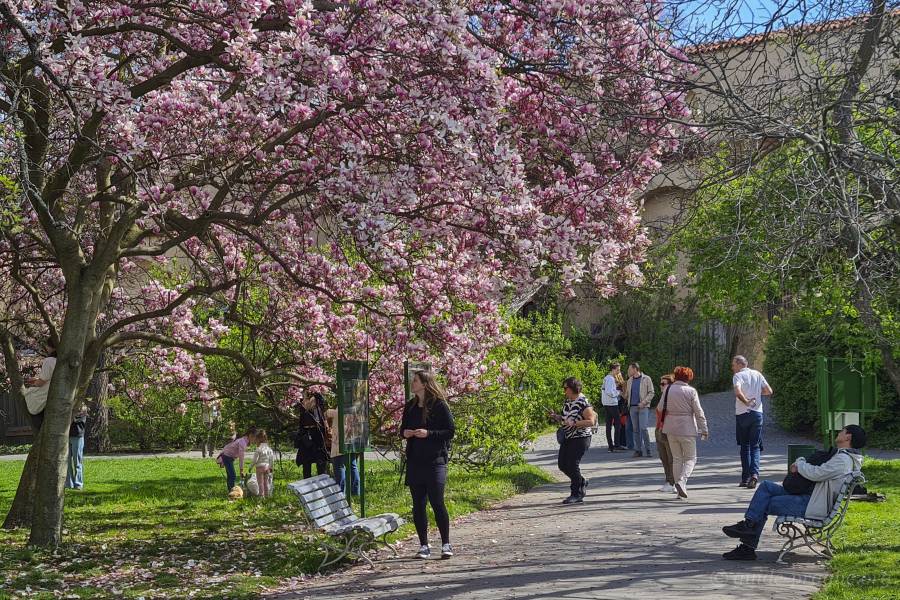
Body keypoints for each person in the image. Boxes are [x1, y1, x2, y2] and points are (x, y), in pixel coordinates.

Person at [721, 425, 866, 560]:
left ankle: (747, 544)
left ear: (848, 437)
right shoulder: (843, 457)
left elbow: (817, 473)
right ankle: (749, 526)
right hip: (812, 497)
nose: (839, 432)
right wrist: (801, 463)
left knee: (766, 502)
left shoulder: (843, 460)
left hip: (813, 505)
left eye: (843, 431)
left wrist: (799, 464)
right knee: (766, 487)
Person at [400, 370, 455, 559]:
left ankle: (446, 543)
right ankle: (424, 545)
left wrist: (429, 433)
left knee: (437, 502)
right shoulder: (410, 406)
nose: (412, 384)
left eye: (415, 381)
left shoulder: (439, 405)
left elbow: (450, 431)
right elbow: (402, 429)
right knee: (418, 505)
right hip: (415, 461)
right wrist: (406, 433)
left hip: (435, 462)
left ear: (424, 383)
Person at [661, 366, 709, 498]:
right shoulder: (691, 391)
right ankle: (682, 481)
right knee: (691, 458)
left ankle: (679, 491)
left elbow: (660, 407)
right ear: (689, 378)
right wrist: (704, 428)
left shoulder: (668, 389)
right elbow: (699, 412)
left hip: (670, 428)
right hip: (687, 428)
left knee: (677, 459)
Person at [550, 377, 597, 505]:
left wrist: (575, 423)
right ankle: (581, 481)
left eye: (566, 388)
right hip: (568, 436)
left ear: (573, 388)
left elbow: (591, 421)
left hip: (581, 437)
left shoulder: (583, 402)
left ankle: (577, 493)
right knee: (562, 464)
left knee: (572, 464)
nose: (564, 391)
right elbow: (566, 418)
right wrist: (557, 417)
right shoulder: (568, 401)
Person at [732, 355, 773, 489]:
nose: (732, 367)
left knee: (745, 446)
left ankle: (745, 478)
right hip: (757, 414)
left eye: (733, 364)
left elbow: (738, 392)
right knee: (755, 446)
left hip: (743, 414)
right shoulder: (757, 374)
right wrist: (756, 394)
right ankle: (754, 474)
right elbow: (769, 391)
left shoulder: (738, 376)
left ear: (739, 364)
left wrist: (746, 401)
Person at [293, 390, 330, 479]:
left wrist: (315, 392)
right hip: (306, 435)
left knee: (320, 461)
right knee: (306, 462)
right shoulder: (303, 405)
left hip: (317, 435)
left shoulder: (318, 404)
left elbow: (321, 401)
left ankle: (322, 482)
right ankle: (307, 483)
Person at [24, 338, 58, 430]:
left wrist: (34, 383)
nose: (46, 347)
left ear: (51, 347)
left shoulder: (49, 360)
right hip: (57, 392)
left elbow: (41, 382)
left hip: (46, 393)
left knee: (28, 395)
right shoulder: (62, 361)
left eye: (47, 345)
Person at [326, 406, 360, 497]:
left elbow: (327, 413)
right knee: (353, 466)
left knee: (339, 467)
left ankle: (340, 493)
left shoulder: (338, 411)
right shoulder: (355, 408)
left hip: (339, 443)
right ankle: (355, 491)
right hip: (351, 442)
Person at [626, 363, 654, 458]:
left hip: (643, 407)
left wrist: (644, 402)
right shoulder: (629, 380)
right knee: (635, 430)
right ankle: (638, 450)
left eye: (629, 369)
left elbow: (651, 392)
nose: (628, 371)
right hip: (632, 407)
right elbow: (627, 395)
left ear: (635, 369)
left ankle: (648, 449)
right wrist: (620, 391)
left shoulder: (646, 379)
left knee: (643, 428)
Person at [654, 374, 676, 493]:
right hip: (659, 429)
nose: (661, 386)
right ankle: (668, 481)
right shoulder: (662, 397)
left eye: (664, 384)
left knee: (671, 458)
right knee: (663, 458)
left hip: (668, 430)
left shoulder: (672, 397)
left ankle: (673, 482)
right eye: (660, 384)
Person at [218, 427, 258, 493]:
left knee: (230, 475)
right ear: (251, 435)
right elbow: (241, 457)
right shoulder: (243, 442)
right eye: (255, 438)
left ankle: (230, 490)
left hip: (227, 456)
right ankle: (232, 491)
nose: (255, 440)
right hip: (226, 456)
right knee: (232, 475)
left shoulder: (244, 440)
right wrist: (241, 470)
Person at [601, 363, 624, 452]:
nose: (619, 372)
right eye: (618, 370)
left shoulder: (606, 378)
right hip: (612, 404)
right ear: (613, 369)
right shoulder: (610, 379)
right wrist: (618, 393)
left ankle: (611, 446)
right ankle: (616, 445)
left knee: (608, 424)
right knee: (617, 424)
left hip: (606, 403)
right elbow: (610, 392)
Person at [66, 403, 87, 490]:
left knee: (77, 461)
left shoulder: (83, 408)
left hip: (77, 437)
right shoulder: (68, 407)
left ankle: (78, 484)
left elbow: (74, 419)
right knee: (67, 461)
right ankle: (69, 483)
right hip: (67, 436)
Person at [251, 429, 275, 497]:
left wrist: (251, 467)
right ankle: (267, 495)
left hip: (259, 468)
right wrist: (271, 467)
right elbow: (271, 459)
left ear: (258, 439)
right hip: (267, 467)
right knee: (266, 482)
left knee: (260, 483)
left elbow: (254, 460)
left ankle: (261, 496)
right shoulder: (269, 449)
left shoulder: (258, 449)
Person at [615, 370, 630, 449]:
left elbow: (625, 396)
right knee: (618, 425)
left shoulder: (624, 384)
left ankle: (623, 443)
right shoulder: (614, 384)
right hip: (617, 406)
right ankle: (619, 442)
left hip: (622, 406)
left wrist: (620, 393)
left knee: (622, 425)